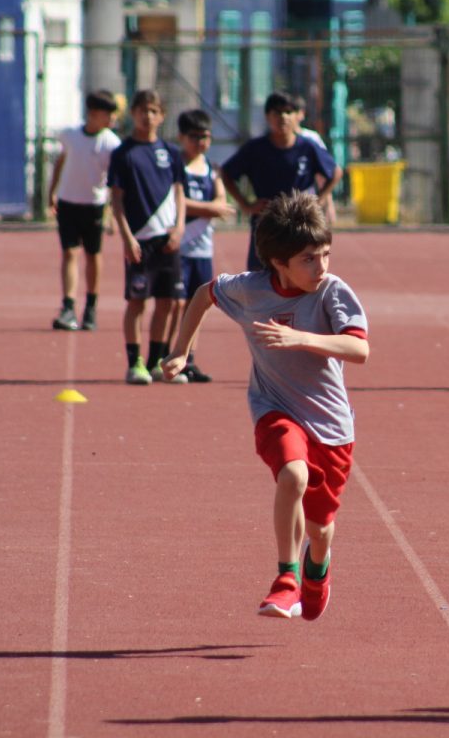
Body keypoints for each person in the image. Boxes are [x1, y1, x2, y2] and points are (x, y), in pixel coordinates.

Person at [161, 192, 368, 621]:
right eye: (309, 259)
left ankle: (317, 565)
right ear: (279, 262)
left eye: (326, 254)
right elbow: (204, 293)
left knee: (322, 529)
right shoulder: (252, 291)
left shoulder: (332, 292)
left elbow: (358, 349)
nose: (322, 266)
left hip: (331, 425)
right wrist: (181, 350)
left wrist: (303, 339)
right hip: (274, 407)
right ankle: (286, 578)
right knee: (293, 473)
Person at [107, 90, 187, 385]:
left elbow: (179, 192)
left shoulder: (172, 153)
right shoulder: (123, 153)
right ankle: (134, 362)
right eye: (142, 110)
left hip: (168, 240)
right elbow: (116, 199)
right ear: (133, 113)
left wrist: (179, 227)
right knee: (137, 302)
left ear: (162, 116)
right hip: (140, 241)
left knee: (167, 302)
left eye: (153, 110)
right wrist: (126, 237)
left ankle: (156, 361)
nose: (147, 116)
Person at [221, 91, 340, 271]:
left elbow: (335, 172)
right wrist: (245, 205)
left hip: (300, 221)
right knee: (261, 276)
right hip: (267, 220)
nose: (283, 117)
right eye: (277, 112)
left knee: (300, 272)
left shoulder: (308, 147)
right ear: (268, 116)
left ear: (297, 116)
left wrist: (320, 199)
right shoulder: (256, 148)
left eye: (288, 112)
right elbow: (226, 173)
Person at [169, 108, 235, 383]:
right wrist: (208, 208)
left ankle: (190, 359)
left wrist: (209, 208)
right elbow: (176, 202)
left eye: (206, 137)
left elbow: (222, 202)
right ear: (181, 137)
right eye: (195, 137)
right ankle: (167, 354)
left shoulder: (211, 169)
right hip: (177, 247)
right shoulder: (175, 167)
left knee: (199, 306)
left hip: (202, 249)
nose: (201, 142)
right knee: (176, 303)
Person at [48, 90, 121, 332]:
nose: (112, 118)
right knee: (69, 253)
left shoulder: (111, 143)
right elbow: (61, 160)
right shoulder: (70, 135)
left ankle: (90, 306)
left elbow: (114, 181)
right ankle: (68, 307)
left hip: (94, 205)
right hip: (68, 202)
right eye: (107, 114)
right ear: (92, 113)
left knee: (93, 255)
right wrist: (52, 191)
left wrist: (110, 213)